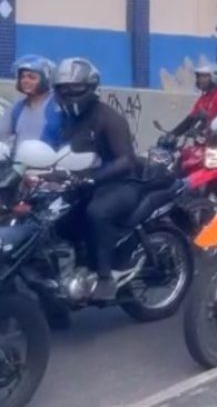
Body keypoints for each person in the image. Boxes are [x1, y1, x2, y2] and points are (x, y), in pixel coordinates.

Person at [53, 58, 138, 301]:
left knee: (96, 213)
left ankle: (104, 277)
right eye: (62, 89)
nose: (68, 94)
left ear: (90, 88)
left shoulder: (109, 118)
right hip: (84, 185)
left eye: (75, 88)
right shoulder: (69, 121)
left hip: (121, 184)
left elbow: (126, 160)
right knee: (56, 218)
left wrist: (94, 178)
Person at [0, 55, 63, 147]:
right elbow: (2, 135)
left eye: (32, 77)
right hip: (19, 159)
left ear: (46, 79)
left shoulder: (59, 107)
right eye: (22, 77)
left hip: (52, 160)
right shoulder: (16, 108)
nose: (25, 81)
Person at [166, 63, 217, 140]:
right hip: (205, 141)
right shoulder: (203, 98)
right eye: (199, 76)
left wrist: (205, 129)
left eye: (204, 76)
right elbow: (189, 120)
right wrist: (172, 134)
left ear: (215, 77)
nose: (200, 79)